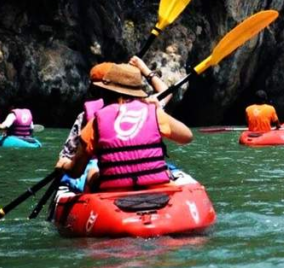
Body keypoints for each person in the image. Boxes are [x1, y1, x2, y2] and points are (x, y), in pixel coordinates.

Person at [58, 57, 189, 192]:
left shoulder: (93, 120)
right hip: (153, 181)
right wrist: (144, 69)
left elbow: (73, 166)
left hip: (110, 182)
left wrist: (63, 165)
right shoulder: (151, 110)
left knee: (92, 172)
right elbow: (187, 136)